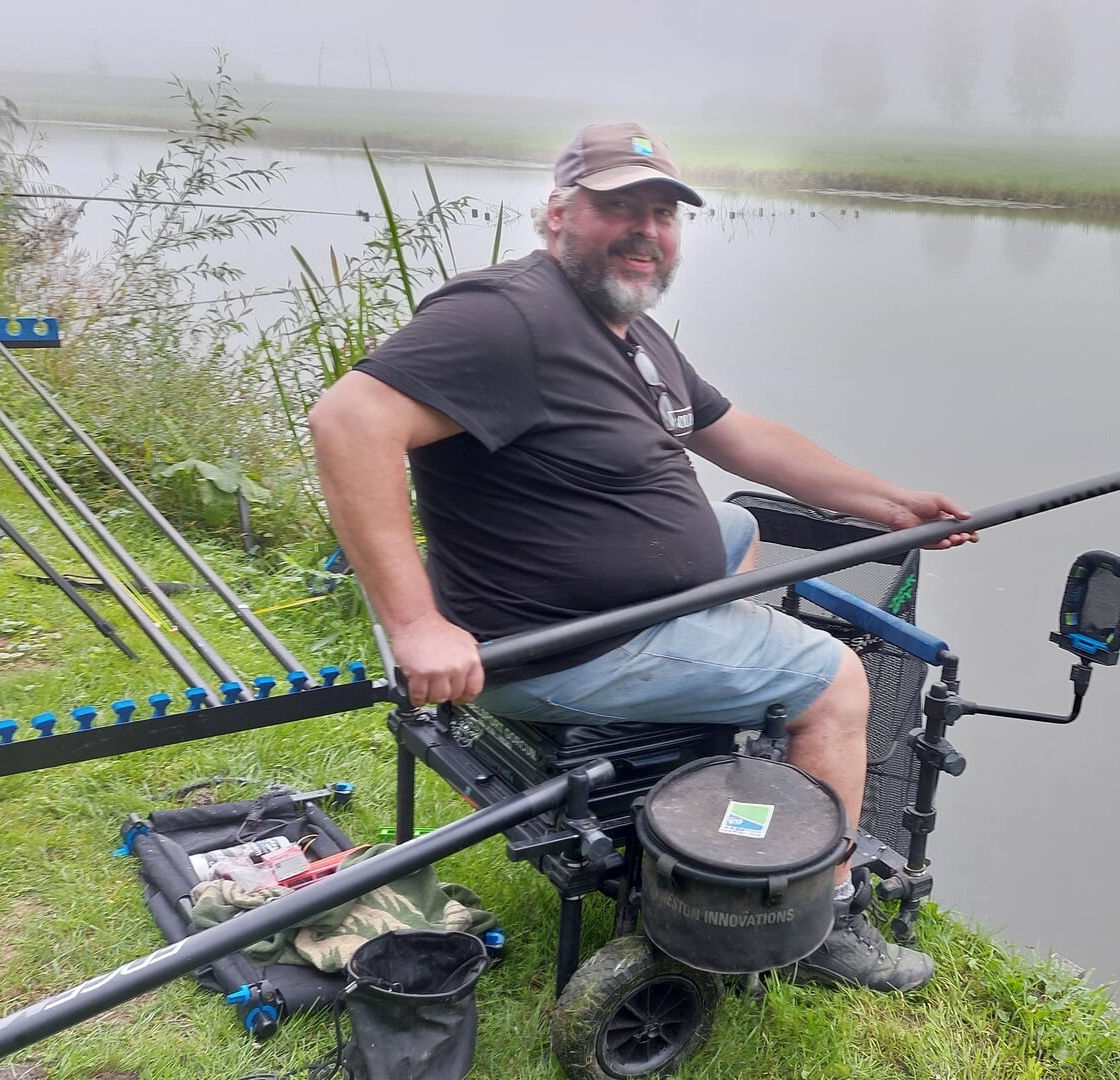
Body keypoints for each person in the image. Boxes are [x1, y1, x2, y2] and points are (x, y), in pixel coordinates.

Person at [307, 121, 975, 993]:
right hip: (562, 643)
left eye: (662, 212)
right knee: (838, 681)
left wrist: (891, 504)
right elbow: (348, 421)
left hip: (595, 599)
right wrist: (416, 623)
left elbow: (739, 436)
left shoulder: (626, 327)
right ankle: (831, 919)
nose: (644, 229)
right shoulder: (507, 317)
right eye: (616, 206)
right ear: (557, 215)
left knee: (734, 529)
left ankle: (711, 680)